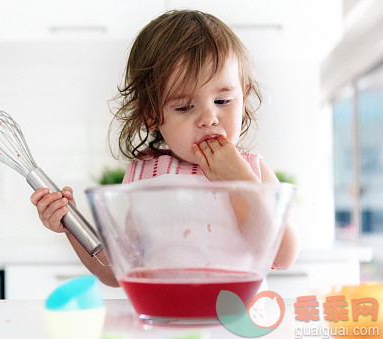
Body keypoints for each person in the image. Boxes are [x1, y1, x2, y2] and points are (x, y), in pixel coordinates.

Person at [30, 10, 300, 287]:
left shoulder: (253, 171)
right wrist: (71, 225)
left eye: (223, 101)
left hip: (236, 323)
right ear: (150, 113)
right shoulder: (144, 176)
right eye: (184, 107)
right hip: (167, 323)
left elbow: (284, 256)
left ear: (243, 95)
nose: (209, 118)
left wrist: (240, 181)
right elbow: (119, 271)